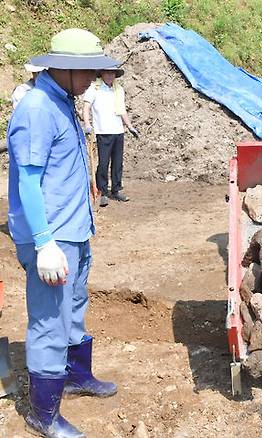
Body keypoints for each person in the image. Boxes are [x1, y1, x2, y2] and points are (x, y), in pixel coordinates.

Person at [6, 28, 119, 438]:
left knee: (73, 308)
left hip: (73, 231)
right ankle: (43, 414)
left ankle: (74, 375)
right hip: (50, 237)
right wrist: (43, 243)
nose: (92, 78)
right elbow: (27, 183)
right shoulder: (37, 108)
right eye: (86, 70)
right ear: (63, 68)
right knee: (49, 320)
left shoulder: (64, 101)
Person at [83, 67, 138, 207]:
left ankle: (116, 189)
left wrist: (130, 126)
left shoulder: (118, 89)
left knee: (118, 162)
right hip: (103, 131)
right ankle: (102, 191)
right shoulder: (94, 88)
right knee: (103, 163)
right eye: (107, 72)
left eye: (112, 73)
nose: (109, 75)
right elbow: (86, 107)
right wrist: (88, 125)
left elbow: (122, 110)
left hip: (118, 130)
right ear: (101, 73)